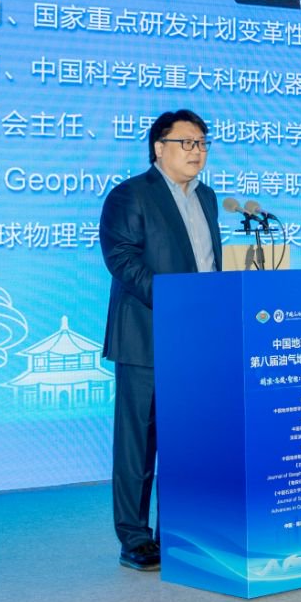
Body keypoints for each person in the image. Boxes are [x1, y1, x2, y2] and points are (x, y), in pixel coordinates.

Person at [98, 109, 222, 570]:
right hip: (145, 337)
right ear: (158, 148)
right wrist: (178, 301)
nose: (197, 151)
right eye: (187, 143)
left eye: (202, 143)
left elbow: (207, 265)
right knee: (139, 442)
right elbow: (122, 260)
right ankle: (134, 537)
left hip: (197, 340)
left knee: (186, 438)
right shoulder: (131, 194)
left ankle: (176, 528)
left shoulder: (207, 197)